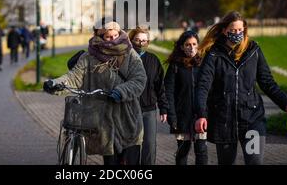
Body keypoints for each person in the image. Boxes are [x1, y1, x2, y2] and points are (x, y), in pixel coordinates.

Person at [194, 11, 287, 165]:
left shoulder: (253, 50)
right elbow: (203, 86)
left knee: (254, 162)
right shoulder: (213, 55)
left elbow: (267, 82)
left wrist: (286, 104)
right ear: (224, 30)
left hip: (252, 120)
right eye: (233, 30)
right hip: (224, 122)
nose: (237, 34)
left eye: (240, 30)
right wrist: (201, 114)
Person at [44, 21, 147, 165]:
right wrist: (55, 84)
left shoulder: (129, 54)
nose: (113, 39)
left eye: (115, 35)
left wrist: (121, 91)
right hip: (103, 123)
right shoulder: (89, 57)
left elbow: (139, 79)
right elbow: (74, 77)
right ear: (100, 37)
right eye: (108, 37)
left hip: (128, 119)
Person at [164, 30, 208, 165]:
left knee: (201, 150)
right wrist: (171, 115)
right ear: (182, 46)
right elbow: (169, 92)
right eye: (188, 44)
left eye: (194, 44)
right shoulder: (175, 65)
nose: (191, 47)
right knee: (183, 150)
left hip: (201, 115)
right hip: (182, 116)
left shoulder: (205, 64)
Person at [128, 26, 169, 165]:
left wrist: (163, 108)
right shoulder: (124, 60)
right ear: (131, 40)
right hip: (130, 110)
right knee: (132, 146)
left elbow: (160, 86)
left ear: (148, 42)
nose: (141, 43)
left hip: (149, 110)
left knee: (149, 145)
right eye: (137, 40)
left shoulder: (154, 60)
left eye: (144, 40)